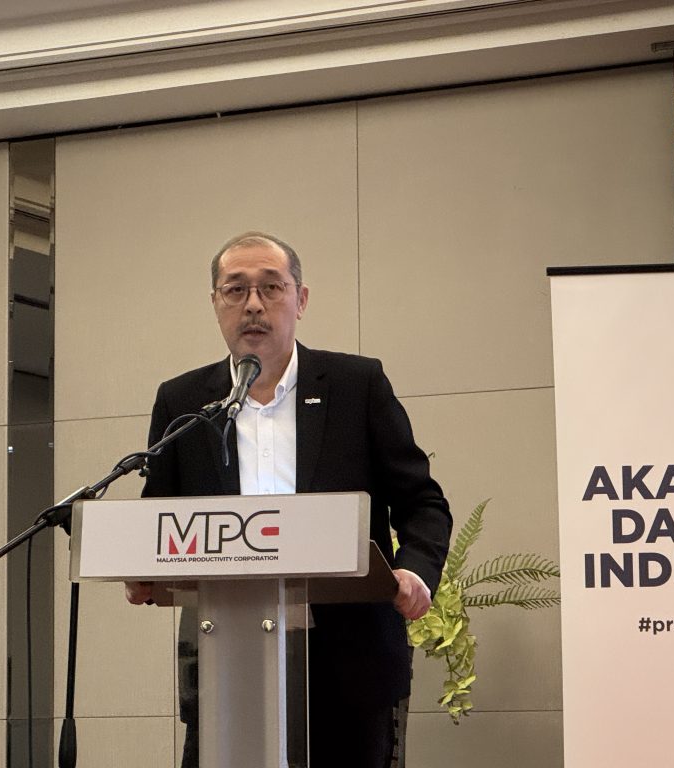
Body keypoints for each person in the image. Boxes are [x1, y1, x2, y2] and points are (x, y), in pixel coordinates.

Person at [125, 231, 451, 768]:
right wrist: (145, 570)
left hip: (349, 661)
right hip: (225, 660)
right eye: (235, 290)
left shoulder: (357, 385)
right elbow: (162, 514)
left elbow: (422, 502)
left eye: (271, 287)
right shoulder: (183, 402)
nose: (253, 304)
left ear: (300, 300)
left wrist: (415, 570)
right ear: (215, 303)